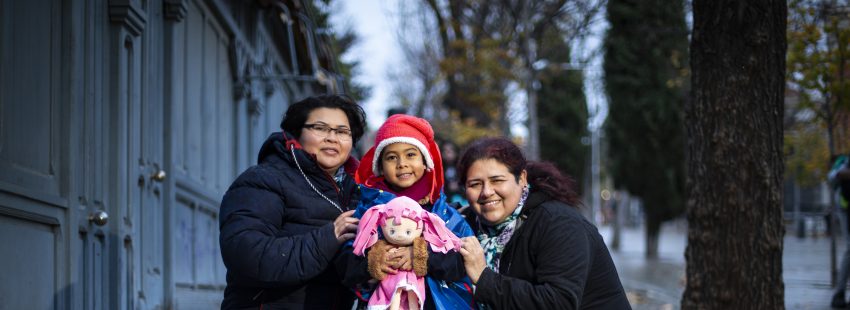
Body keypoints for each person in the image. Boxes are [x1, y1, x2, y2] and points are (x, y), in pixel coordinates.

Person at [218, 95, 369, 309]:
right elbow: (246, 255)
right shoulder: (264, 180)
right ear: (297, 133)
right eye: (320, 127)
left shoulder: (357, 192)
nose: (332, 138)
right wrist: (328, 237)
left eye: (342, 131)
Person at [455, 137, 631, 309]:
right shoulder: (469, 224)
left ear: (522, 178)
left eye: (497, 180)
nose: (486, 192)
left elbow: (559, 303)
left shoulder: (559, 224)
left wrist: (484, 278)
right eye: (475, 184)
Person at [351, 114, 474, 309]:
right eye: (391, 157)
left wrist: (421, 256)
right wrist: (373, 261)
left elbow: (463, 263)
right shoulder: (369, 211)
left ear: (425, 161)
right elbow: (346, 263)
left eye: (410, 154)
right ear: (380, 166)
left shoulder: (442, 213)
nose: (402, 164)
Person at [830, 153, 850, 308]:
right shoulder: (845, 162)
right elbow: (834, 175)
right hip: (847, 209)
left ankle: (839, 293)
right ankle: (839, 293)